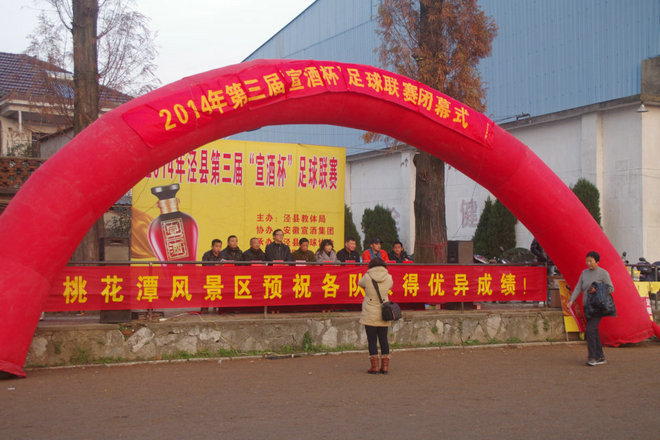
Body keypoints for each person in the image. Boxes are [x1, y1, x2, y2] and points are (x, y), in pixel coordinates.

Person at [567, 251, 614, 366]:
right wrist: (571, 300)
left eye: (591, 261)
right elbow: (578, 288)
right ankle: (600, 356)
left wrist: (597, 289)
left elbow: (611, 288)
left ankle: (592, 357)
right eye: (587, 261)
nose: (588, 263)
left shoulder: (603, 273)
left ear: (597, 262)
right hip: (587, 306)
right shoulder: (584, 273)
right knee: (593, 331)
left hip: (598, 306)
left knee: (590, 331)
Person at [358, 257, 394, 374]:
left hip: (370, 312)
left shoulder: (367, 276)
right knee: (384, 339)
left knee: (372, 340)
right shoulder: (388, 277)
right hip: (384, 312)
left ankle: (374, 367)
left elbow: (360, 283)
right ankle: (385, 367)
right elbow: (390, 286)